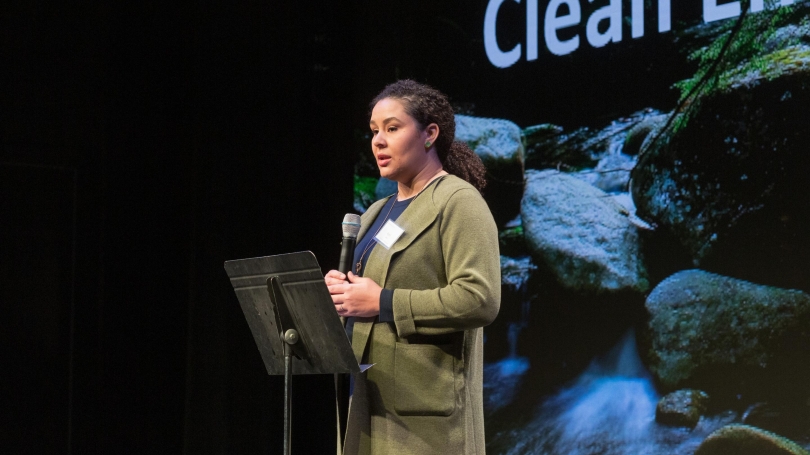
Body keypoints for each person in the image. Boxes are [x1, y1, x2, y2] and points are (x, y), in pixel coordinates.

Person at [325, 80, 501, 455]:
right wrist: (342, 293)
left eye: (392, 128)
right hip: (367, 402)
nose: (378, 141)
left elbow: (480, 298)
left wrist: (382, 302)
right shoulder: (376, 212)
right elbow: (365, 298)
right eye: (374, 131)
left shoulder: (458, 201)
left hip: (424, 421)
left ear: (429, 134)